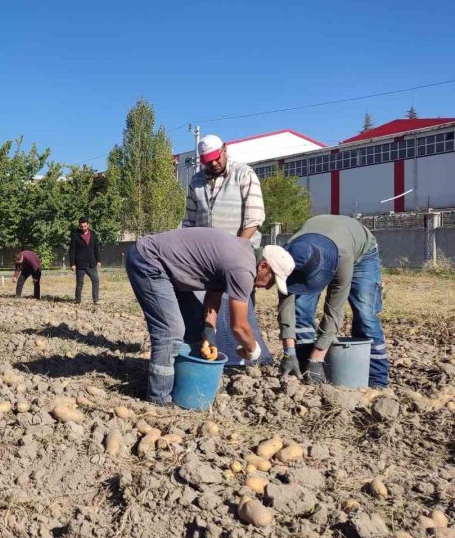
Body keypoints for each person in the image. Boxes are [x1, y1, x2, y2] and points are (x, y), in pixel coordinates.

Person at [125, 227, 294, 406]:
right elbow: (239, 326)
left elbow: (213, 296)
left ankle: (186, 382)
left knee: (194, 324)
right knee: (171, 331)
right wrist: (254, 350)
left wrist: (209, 332)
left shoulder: (242, 255)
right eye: (272, 280)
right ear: (264, 266)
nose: (268, 287)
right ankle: (159, 398)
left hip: (165, 266)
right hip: (149, 261)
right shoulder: (244, 269)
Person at [183, 134, 271, 365]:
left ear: (225, 149)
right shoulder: (196, 181)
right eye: (207, 161)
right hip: (207, 259)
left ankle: (244, 360)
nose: (213, 163)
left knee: (239, 309)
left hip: (240, 256)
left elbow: (253, 218)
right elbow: (189, 222)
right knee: (209, 304)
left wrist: (236, 252)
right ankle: (214, 354)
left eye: (216, 158)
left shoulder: (244, 174)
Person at [276, 215, 388, 388]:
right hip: (318, 246)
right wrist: (288, 352)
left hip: (360, 253)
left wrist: (317, 358)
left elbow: (334, 309)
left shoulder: (343, 257)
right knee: (300, 308)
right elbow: (286, 304)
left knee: (365, 315)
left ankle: (376, 381)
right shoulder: (291, 254)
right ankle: (304, 369)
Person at [69, 217, 101, 304]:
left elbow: (96, 248)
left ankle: (96, 300)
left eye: (85, 226)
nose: (83, 228)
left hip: (91, 263)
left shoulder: (93, 234)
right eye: (81, 226)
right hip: (80, 263)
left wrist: (98, 260)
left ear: (88, 225)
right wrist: (72, 264)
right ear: (79, 226)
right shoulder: (75, 235)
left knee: (95, 280)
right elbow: (72, 250)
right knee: (80, 283)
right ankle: (78, 300)